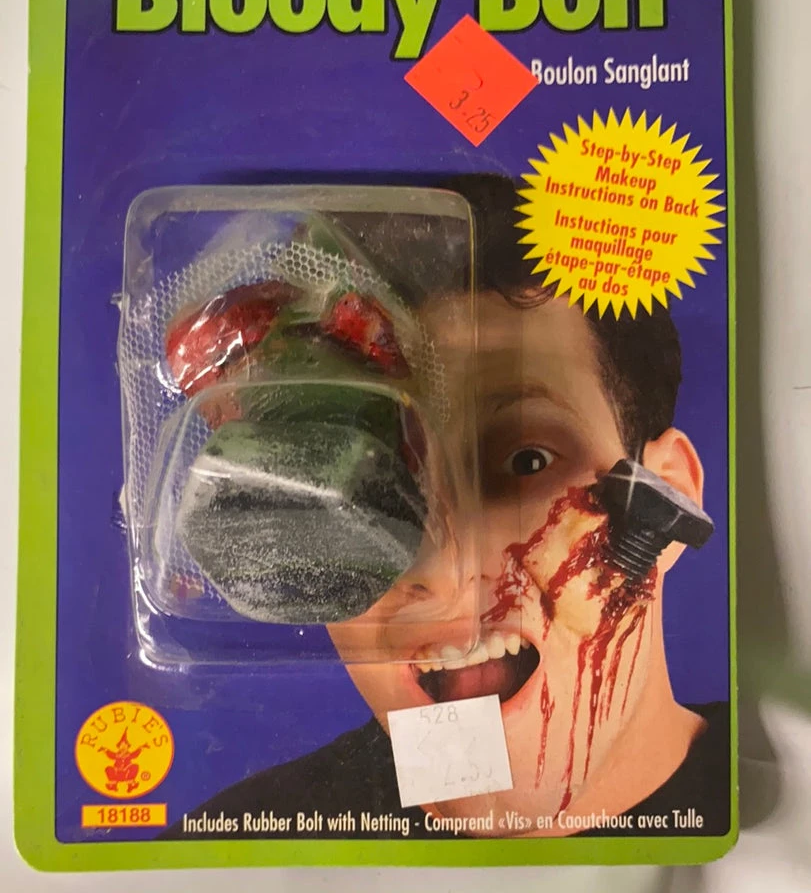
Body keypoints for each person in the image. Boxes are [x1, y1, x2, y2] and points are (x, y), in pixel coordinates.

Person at [163, 174, 729, 840]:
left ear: (668, 493)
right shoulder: (236, 852)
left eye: (526, 462)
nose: (438, 568)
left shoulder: (783, 812)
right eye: (366, 491)